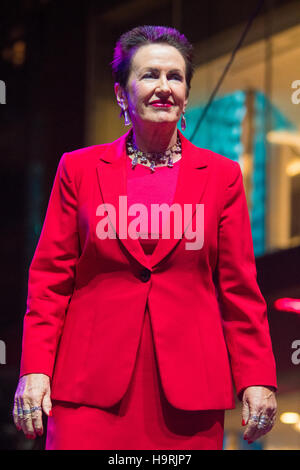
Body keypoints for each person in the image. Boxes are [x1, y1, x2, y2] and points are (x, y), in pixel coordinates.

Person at [13, 25, 277, 450]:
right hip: (88, 392)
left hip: (188, 397)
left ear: (187, 94)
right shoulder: (78, 170)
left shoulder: (222, 177)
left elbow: (239, 289)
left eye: (175, 77)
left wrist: (258, 378)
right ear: (121, 93)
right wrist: (35, 369)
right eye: (150, 75)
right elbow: (49, 281)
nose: (164, 87)